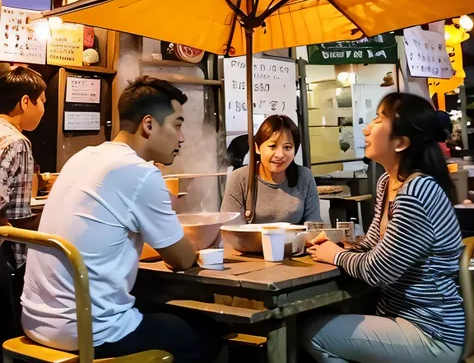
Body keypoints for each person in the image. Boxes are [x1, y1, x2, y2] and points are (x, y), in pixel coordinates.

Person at [21, 76, 221, 363]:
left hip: (35, 322)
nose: (182, 137)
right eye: (177, 125)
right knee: (205, 332)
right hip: (90, 332)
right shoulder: (140, 173)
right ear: (149, 125)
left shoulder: (81, 158)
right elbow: (182, 259)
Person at [302, 92, 465, 363]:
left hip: (431, 330)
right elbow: (373, 246)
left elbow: (378, 270)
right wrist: (342, 246)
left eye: (378, 119)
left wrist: (334, 255)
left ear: (400, 142)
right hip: (400, 316)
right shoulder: (387, 184)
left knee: (312, 333)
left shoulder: (416, 191)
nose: (367, 128)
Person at [221, 115, 321, 224]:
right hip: (251, 241)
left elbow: (314, 225)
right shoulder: (240, 178)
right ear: (257, 148)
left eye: (287, 147)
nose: (280, 155)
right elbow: (229, 227)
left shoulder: (304, 176)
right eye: (272, 146)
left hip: (296, 241)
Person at [0, 66, 47, 266]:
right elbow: (14, 215)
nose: (43, 110)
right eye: (43, 102)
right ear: (26, 102)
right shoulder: (17, 142)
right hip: (6, 253)